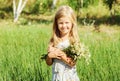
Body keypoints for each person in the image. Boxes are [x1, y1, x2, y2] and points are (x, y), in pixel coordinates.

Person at [45, 5, 80, 81]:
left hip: (69, 78)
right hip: (57, 77)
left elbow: (73, 63)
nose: (64, 26)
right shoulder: (53, 40)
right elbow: (49, 63)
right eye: (61, 23)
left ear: (72, 23)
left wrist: (61, 54)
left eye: (67, 22)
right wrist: (49, 56)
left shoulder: (73, 41)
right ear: (56, 24)